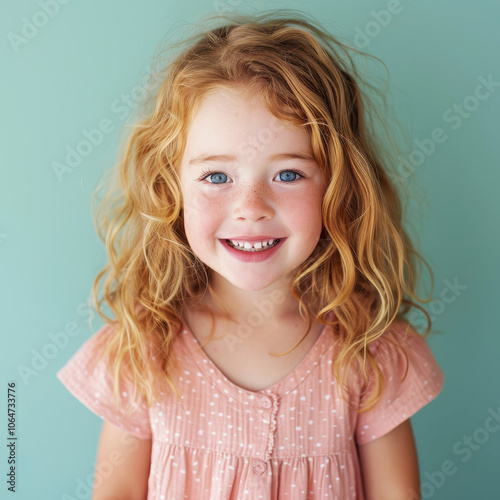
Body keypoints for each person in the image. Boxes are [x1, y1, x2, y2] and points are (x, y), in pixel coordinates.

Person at [57, 9, 445, 500]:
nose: (251, 210)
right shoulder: (144, 348)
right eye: (216, 177)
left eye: (287, 174)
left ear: (338, 187)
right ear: (170, 189)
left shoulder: (368, 352)